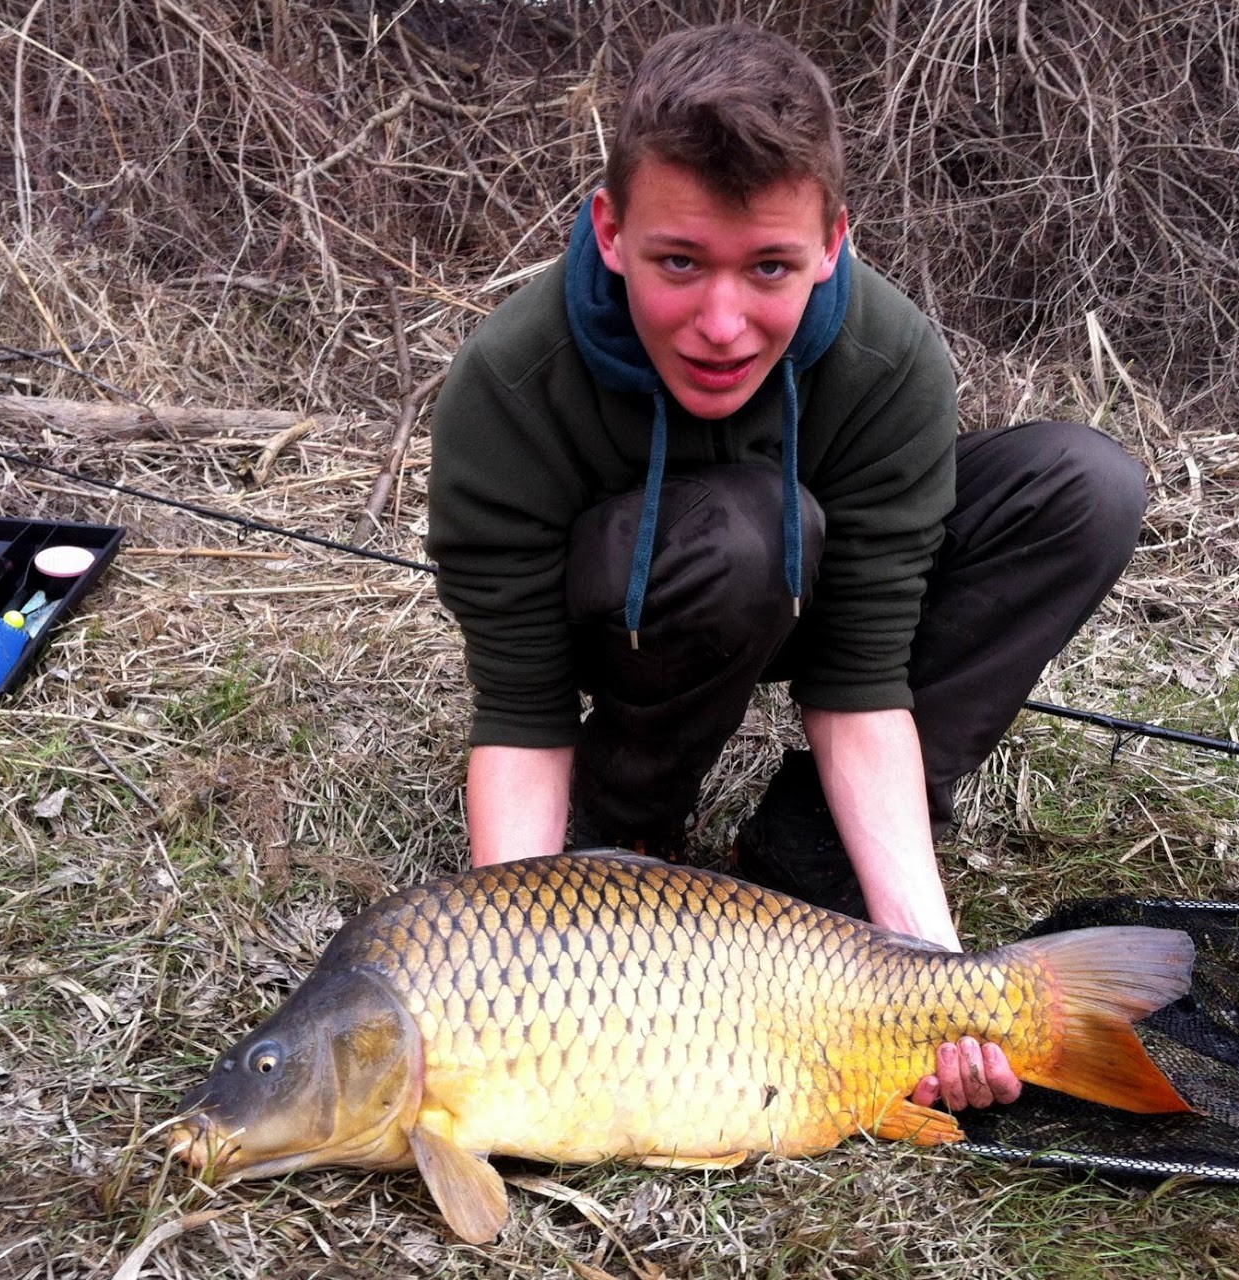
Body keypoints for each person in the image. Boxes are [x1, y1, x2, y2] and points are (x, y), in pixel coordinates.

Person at [426, 24, 1147, 1113]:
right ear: (611, 230)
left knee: (1082, 486)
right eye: (679, 263)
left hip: (812, 586)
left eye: (770, 268)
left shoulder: (889, 357)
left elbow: (861, 682)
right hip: (640, 612)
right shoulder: (509, 383)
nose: (723, 324)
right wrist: (510, 953)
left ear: (832, 240)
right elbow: (522, 709)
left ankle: (809, 856)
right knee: (746, 526)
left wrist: (936, 967)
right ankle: (632, 829)